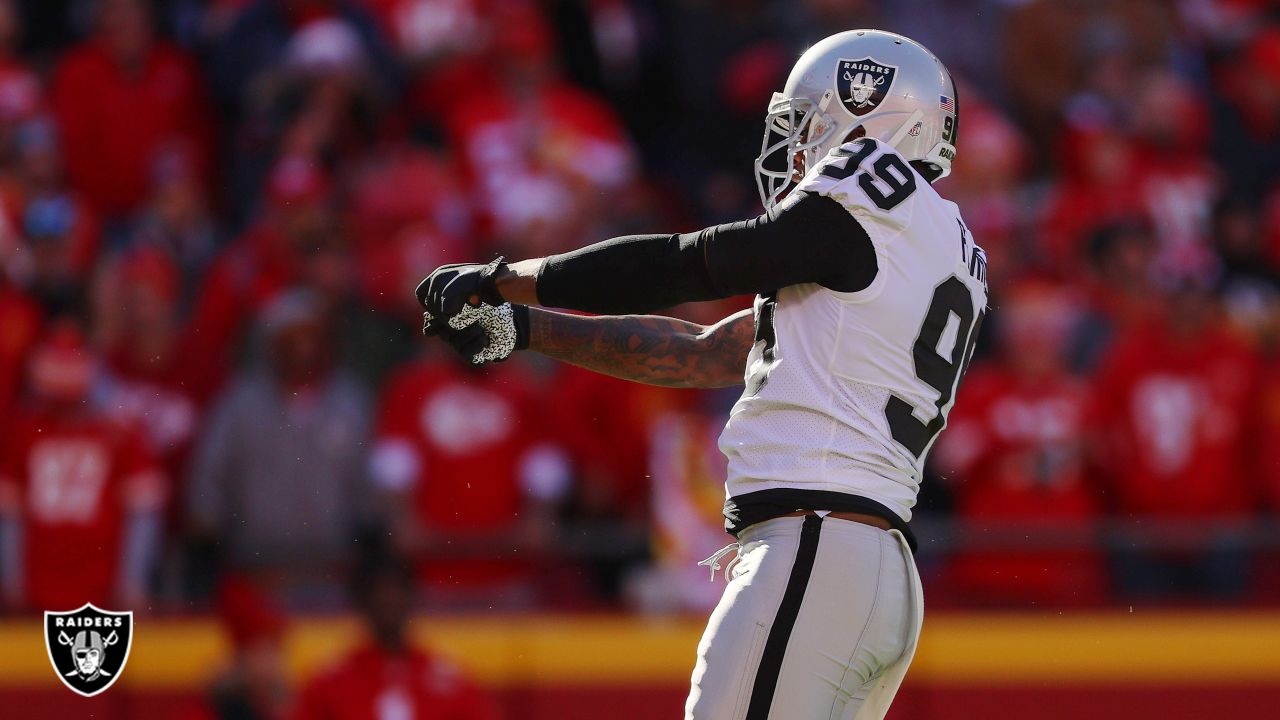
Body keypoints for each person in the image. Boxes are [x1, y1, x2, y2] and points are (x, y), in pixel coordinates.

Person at [416, 30, 988, 720]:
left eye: (809, 123)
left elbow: (692, 262)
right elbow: (710, 352)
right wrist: (527, 331)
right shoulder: (937, 241)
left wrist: (511, 280)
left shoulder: (869, 190)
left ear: (868, 114)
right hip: (875, 565)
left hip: (815, 541)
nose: (799, 148)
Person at [289, 549, 499, 720]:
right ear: (362, 602)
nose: (389, 601)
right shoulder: (329, 683)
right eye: (379, 594)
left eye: (397, 592)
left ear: (412, 598)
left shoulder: (451, 681)